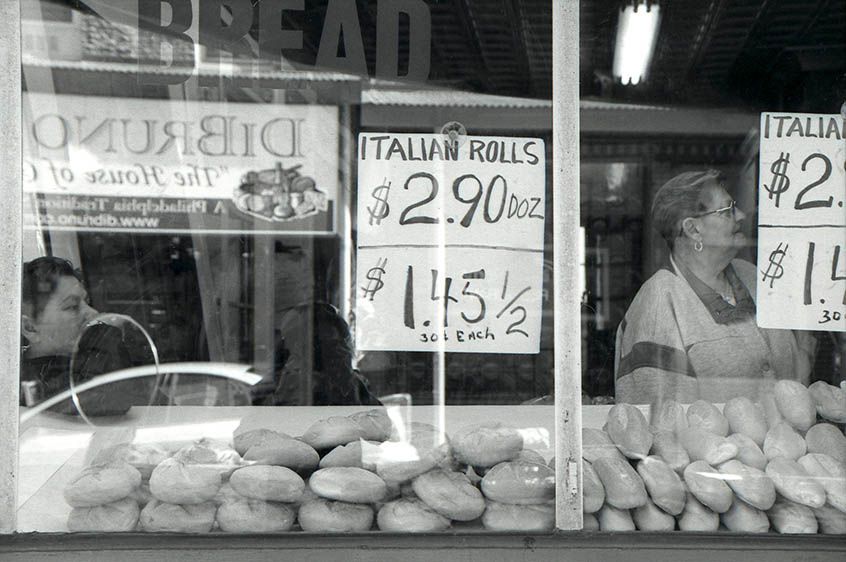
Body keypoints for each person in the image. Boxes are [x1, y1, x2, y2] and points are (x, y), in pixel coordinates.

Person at [614, 170, 816, 404]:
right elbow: (661, 425)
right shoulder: (659, 303)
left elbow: (797, 374)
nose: (740, 216)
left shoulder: (751, 274)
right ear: (693, 229)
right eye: (727, 210)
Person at [21, 256, 150, 416]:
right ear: (30, 328)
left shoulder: (91, 356)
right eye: (72, 306)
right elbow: (112, 399)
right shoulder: (17, 383)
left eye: (87, 302)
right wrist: (108, 342)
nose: (93, 313)